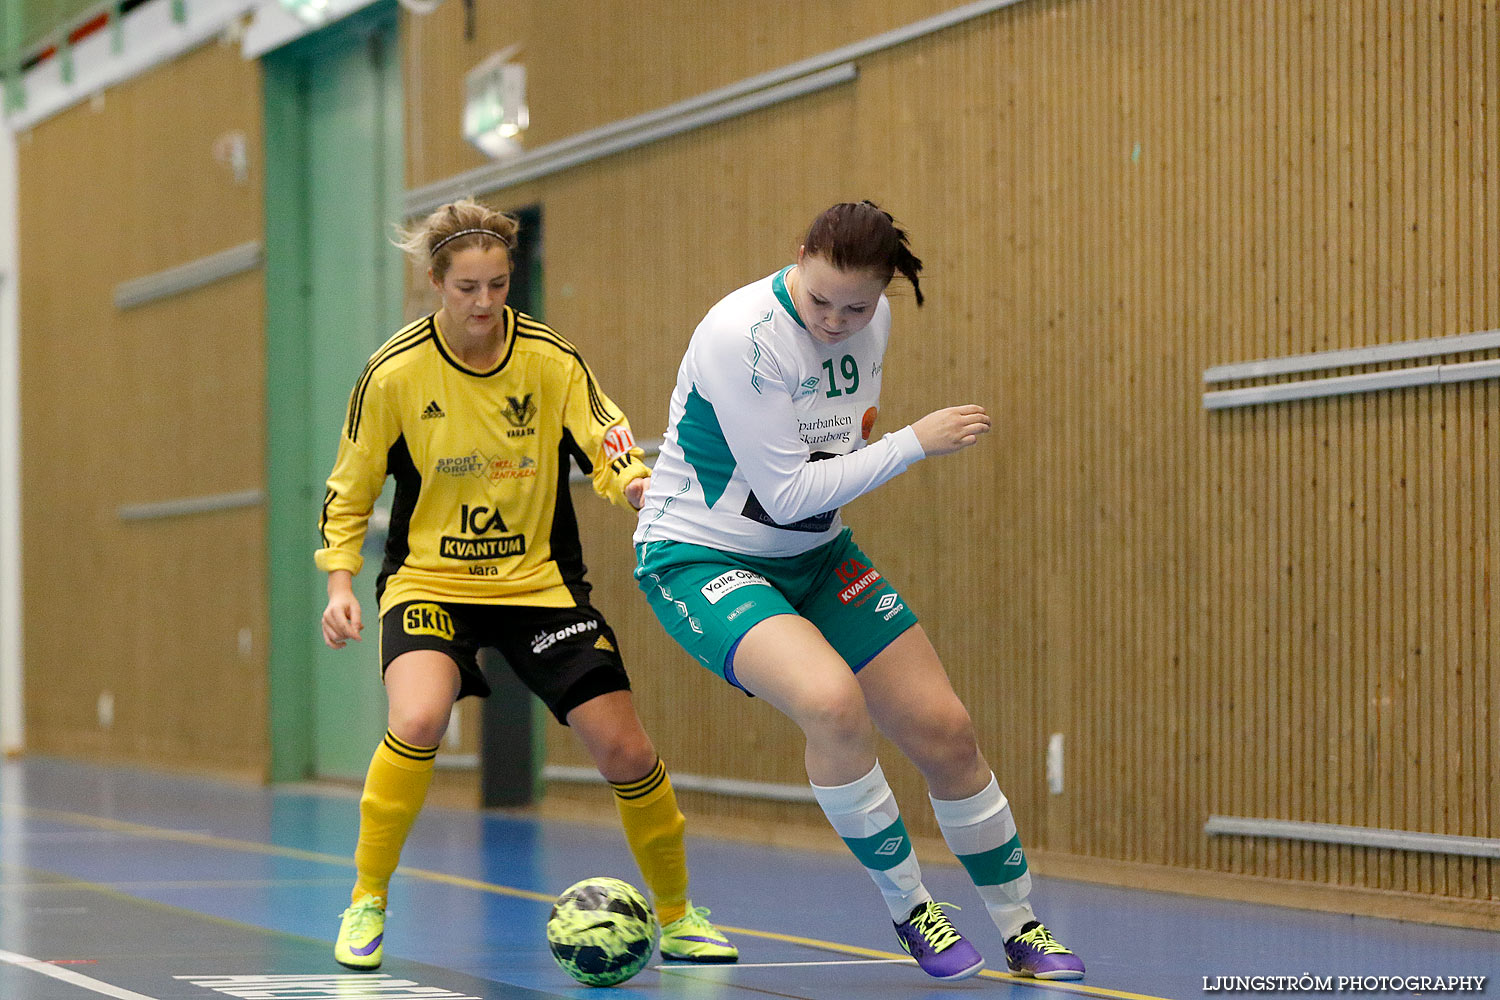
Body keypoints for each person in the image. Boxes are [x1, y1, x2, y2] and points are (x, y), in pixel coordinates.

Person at [633, 201, 1084, 982]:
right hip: (704, 558)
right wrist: (914, 443)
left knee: (947, 732)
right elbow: (786, 491)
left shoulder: (872, 323)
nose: (838, 321)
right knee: (832, 703)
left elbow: (835, 449)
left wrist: (885, 442)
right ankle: (911, 908)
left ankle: (1023, 928)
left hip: (816, 556)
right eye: (820, 301)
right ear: (798, 256)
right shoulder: (739, 334)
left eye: (858, 305)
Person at [317, 198, 737, 971]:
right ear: (435, 283)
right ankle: (367, 899)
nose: (484, 304)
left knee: (624, 747)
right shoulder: (393, 374)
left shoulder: (549, 360)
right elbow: (349, 488)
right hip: (430, 583)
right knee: (417, 719)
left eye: (498, 286)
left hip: (539, 586)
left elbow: (607, 439)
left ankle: (678, 917)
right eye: (466, 288)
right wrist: (341, 580)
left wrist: (637, 486)